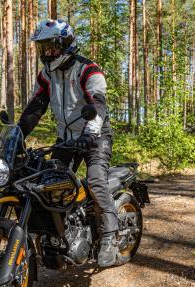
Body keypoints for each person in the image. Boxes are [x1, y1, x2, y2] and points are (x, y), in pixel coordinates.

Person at [17, 19, 119, 267]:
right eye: (43, 47)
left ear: (67, 44)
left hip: (95, 136)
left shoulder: (88, 70)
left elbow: (97, 106)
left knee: (95, 180)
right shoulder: (46, 75)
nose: (47, 52)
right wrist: (17, 135)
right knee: (50, 183)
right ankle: (63, 233)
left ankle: (109, 236)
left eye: (52, 46)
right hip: (66, 138)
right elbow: (35, 108)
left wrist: (89, 134)